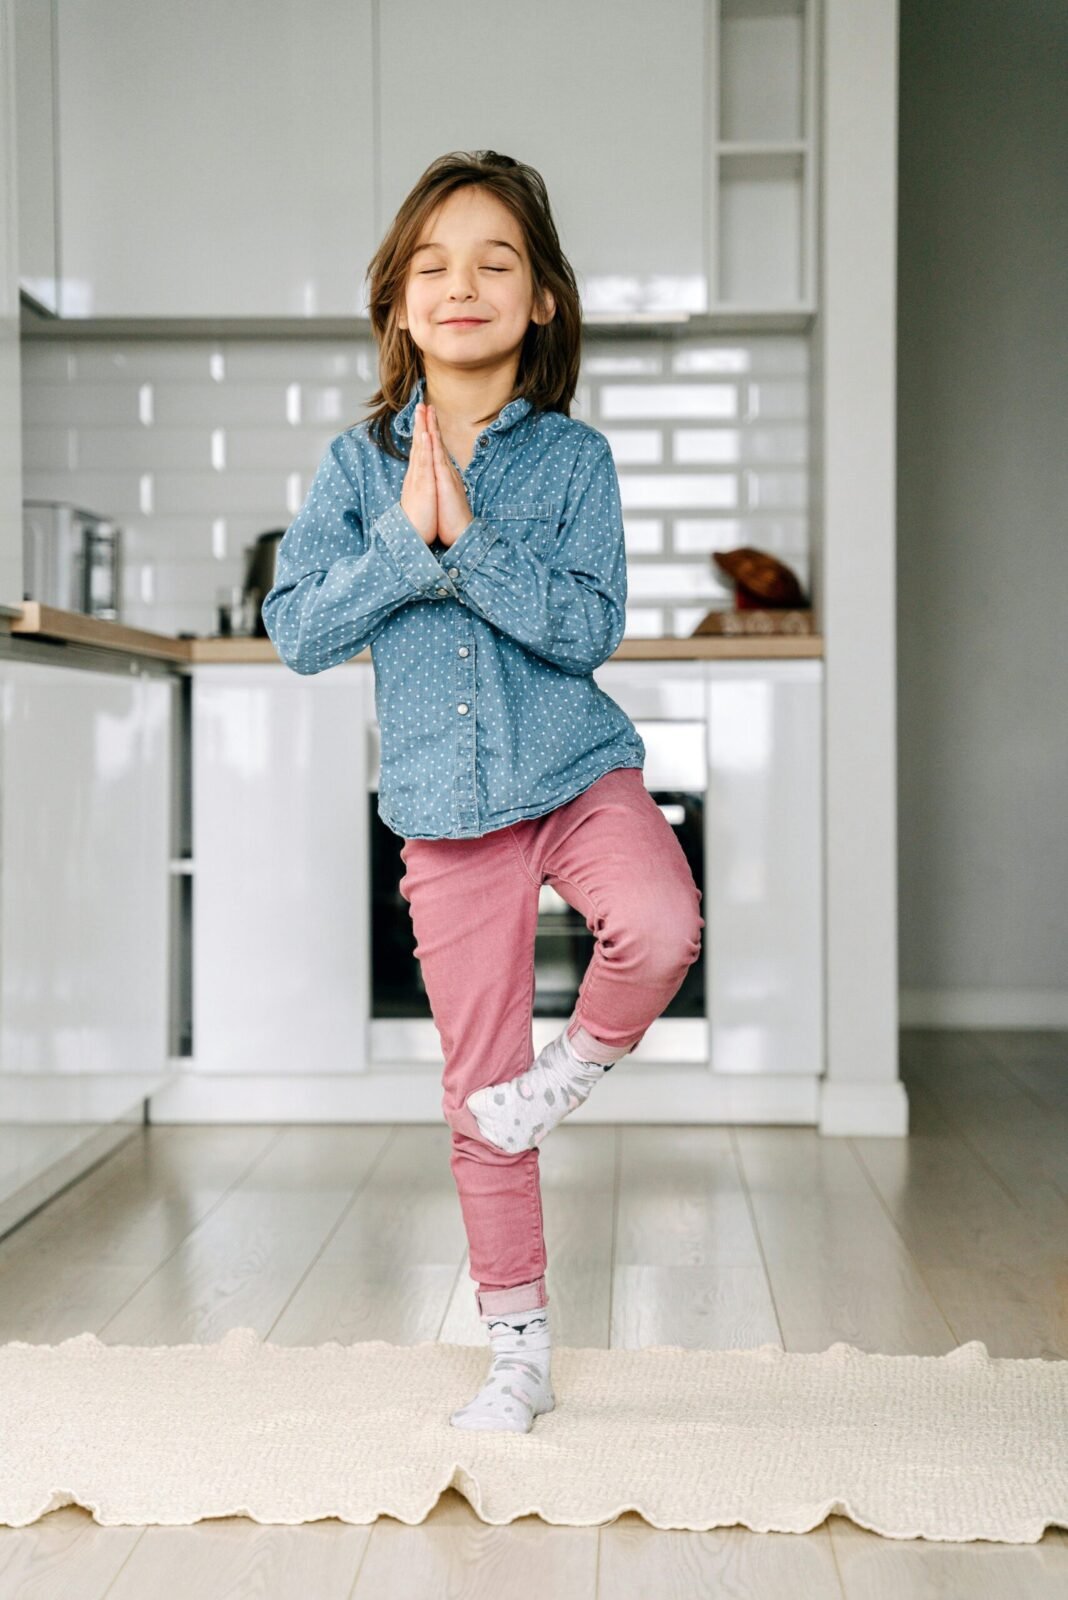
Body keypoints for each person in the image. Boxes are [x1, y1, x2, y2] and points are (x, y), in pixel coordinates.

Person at [262, 150, 704, 1434]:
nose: (463, 285)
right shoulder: (356, 470)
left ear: (544, 300)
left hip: (574, 769)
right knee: (477, 1092)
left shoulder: (576, 463)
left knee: (662, 924)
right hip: (447, 814)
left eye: (495, 262)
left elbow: (589, 628)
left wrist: (473, 546)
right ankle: (517, 1350)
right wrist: (407, 544)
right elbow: (295, 630)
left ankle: (571, 1069)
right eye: (433, 265)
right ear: (399, 303)